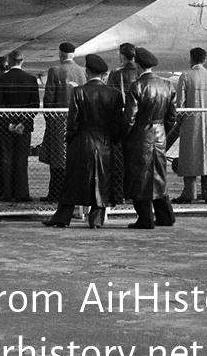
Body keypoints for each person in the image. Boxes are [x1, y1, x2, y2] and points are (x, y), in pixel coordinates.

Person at [45, 54, 124, 228]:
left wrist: (70, 139)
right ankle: (96, 220)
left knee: (72, 181)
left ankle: (62, 217)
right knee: (102, 181)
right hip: (104, 142)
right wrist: (113, 141)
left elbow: (73, 122)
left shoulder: (79, 91)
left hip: (82, 141)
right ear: (104, 75)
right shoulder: (115, 94)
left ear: (87, 72)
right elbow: (117, 123)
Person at [124, 47, 180, 230]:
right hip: (159, 134)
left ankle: (145, 218)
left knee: (139, 177)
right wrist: (163, 130)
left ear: (138, 66)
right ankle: (166, 216)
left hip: (141, 135)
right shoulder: (167, 85)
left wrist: (124, 136)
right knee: (159, 175)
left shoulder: (136, 86)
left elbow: (130, 118)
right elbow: (172, 116)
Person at [0, 50, 39, 202]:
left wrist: (9, 124)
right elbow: (34, 105)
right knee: (22, 160)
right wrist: (24, 122)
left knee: (7, 159)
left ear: (9, 61)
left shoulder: (1, 80)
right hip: (24, 126)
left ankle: (7, 192)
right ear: (22, 61)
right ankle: (22, 193)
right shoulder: (31, 79)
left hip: (5, 127)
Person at [174, 47, 207, 203]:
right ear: (205, 59)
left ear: (191, 58)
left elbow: (180, 103)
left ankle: (190, 193)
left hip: (190, 122)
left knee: (189, 156)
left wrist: (179, 119)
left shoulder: (186, 76)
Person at [41, 42, 85, 201]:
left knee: (57, 158)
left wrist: (48, 118)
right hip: (79, 120)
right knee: (75, 158)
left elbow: (49, 97)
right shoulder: (83, 72)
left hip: (58, 120)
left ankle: (55, 193)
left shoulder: (55, 71)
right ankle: (73, 192)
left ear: (60, 54)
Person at [108, 43, 141, 202]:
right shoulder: (140, 74)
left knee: (119, 160)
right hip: (140, 121)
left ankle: (119, 192)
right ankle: (134, 192)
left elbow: (110, 98)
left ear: (122, 55)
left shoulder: (116, 74)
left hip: (121, 119)